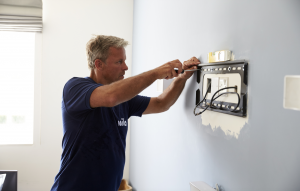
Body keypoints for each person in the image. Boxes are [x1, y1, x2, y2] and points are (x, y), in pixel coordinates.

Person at [50, 35, 200, 191]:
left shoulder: (124, 99)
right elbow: (110, 97)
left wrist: (183, 77)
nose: (125, 67)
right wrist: (156, 73)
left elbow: (162, 103)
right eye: (119, 62)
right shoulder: (75, 88)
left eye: (125, 61)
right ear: (98, 64)